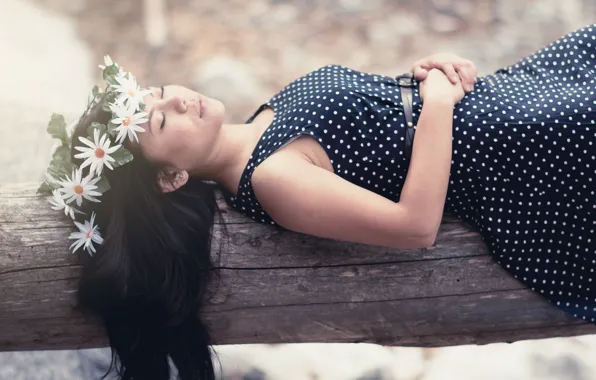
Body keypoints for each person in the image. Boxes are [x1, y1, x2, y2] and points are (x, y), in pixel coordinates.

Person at [39, 23, 595, 380]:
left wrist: (432, 71)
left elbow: (384, 114)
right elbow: (415, 224)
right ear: (169, 179)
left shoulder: (263, 118)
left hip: (510, 101)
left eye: (159, 95)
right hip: (521, 156)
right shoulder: (274, 180)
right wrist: (439, 105)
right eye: (163, 120)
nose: (181, 99)